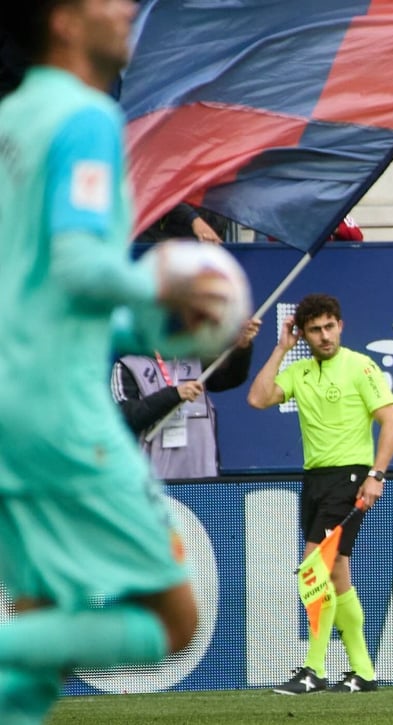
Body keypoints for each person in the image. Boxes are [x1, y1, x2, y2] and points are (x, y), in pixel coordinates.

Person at [0, 1, 223, 721]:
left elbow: (40, 290)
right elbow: (78, 266)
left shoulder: (12, 121)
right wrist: (164, 284)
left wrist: (148, 325)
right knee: (173, 620)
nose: (126, 7)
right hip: (61, 410)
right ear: (62, 20)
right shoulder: (86, 117)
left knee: (45, 609)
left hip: (14, 398)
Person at [247, 293, 393, 695]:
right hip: (315, 480)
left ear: (341, 325)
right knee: (336, 574)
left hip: (350, 477)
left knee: (313, 568)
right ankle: (363, 673)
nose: (324, 335)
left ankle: (313, 669)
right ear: (304, 334)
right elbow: (258, 398)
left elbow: (392, 424)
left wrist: (377, 475)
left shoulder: (360, 366)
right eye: (314, 330)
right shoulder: (299, 371)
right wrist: (281, 348)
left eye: (329, 326)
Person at [112, 319, 261, 480]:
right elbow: (125, 418)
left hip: (203, 479)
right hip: (153, 484)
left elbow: (231, 377)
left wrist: (242, 347)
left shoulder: (196, 355)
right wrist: (174, 395)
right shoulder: (127, 365)